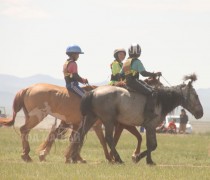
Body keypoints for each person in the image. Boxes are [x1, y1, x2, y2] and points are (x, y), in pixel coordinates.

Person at [121, 43, 162, 121]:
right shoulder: (137, 62)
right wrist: (155, 74)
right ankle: (148, 113)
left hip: (127, 83)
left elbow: (121, 74)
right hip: (134, 82)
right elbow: (143, 73)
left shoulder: (126, 62)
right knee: (152, 93)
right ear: (139, 53)